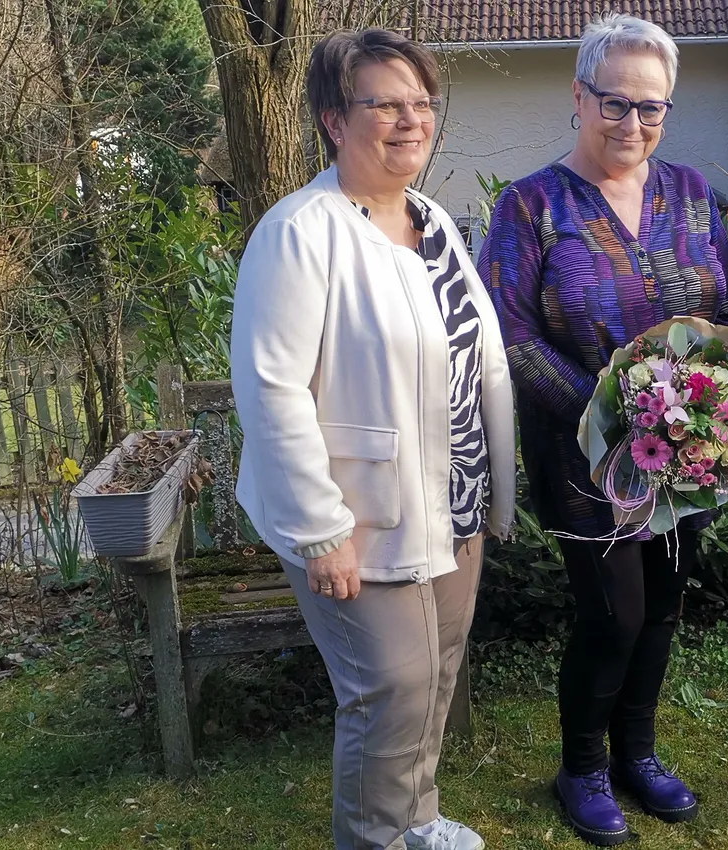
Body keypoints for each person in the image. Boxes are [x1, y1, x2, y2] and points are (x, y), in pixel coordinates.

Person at [228, 28, 516, 850]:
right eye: (383, 103)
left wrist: (494, 488)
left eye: (420, 103)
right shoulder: (301, 231)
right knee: (388, 687)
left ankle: (413, 819)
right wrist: (320, 531)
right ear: (332, 118)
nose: (409, 120)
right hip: (359, 518)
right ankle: (373, 837)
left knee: (435, 674)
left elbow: (475, 359)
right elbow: (272, 390)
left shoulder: (431, 222)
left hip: (450, 503)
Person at [477, 13, 728, 847]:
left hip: (686, 452)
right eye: (614, 103)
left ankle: (638, 754)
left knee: (662, 604)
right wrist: (607, 413)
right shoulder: (530, 206)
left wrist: (706, 400)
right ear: (578, 97)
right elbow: (508, 334)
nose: (632, 123)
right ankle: (581, 766)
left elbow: (726, 312)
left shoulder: (693, 195)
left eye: (651, 107)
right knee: (613, 613)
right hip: (585, 459)